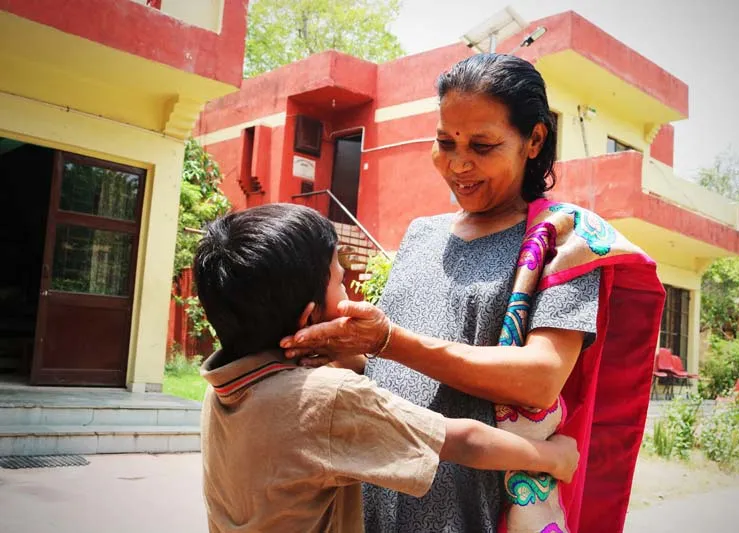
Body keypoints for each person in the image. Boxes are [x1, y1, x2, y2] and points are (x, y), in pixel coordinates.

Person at [281, 54, 666, 533]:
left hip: (476, 510)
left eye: (483, 145)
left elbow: (540, 378)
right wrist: (340, 351)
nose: (458, 163)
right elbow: (396, 373)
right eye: (445, 142)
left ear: (534, 140)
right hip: (378, 504)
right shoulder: (421, 235)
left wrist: (385, 341)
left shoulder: (561, 242)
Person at [193, 203, 580, 533]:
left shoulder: (221, 392)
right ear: (309, 318)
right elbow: (463, 441)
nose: (349, 293)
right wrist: (552, 458)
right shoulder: (325, 398)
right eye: (341, 282)